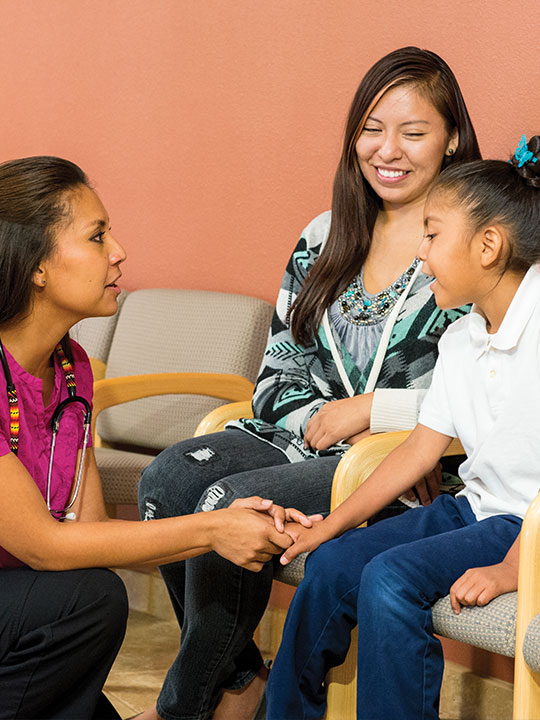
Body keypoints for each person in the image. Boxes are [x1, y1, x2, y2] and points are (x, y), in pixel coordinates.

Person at [137, 47, 481, 720]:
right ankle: (237, 685)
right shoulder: (324, 236)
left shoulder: (471, 245)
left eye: (413, 132)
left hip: (404, 466)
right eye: (371, 128)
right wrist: (320, 419)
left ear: (452, 140)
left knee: (224, 500)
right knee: (166, 479)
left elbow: (491, 389)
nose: (388, 150)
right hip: (301, 441)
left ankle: (184, 708)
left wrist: (371, 412)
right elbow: (275, 374)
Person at [0, 156, 308, 720]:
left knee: (89, 596)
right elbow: (43, 545)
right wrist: (213, 528)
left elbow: (86, 536)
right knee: (92, 603)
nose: (118, 251)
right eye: (97, 237)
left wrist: (225, 516)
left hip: (19, 602)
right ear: (36, 265)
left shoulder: (72, 370)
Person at [266, 135, 540, 720]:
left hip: (529, 527)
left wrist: (513, 566)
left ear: (489, 245)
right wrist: (330, 527)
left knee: (389, 580)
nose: (420, 254)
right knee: (334, 566)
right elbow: (420, 449)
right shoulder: (460, 338)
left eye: (433, 235)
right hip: (482, 510)